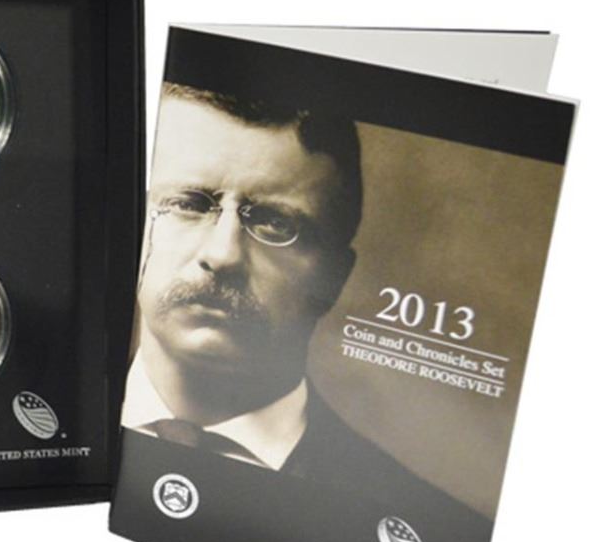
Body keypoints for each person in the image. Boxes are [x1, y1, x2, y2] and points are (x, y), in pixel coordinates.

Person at [124, 82, 476, 516]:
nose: (223, 254)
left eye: (275, 224)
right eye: (189, 204)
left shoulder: (430, 521)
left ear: (333, 278)